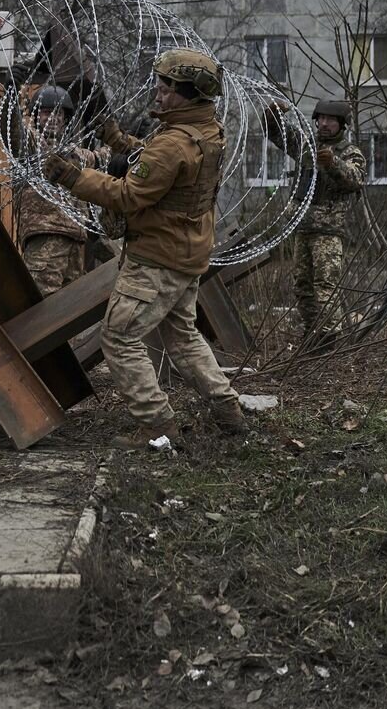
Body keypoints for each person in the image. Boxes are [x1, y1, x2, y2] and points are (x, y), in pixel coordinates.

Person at [42, 48, 247, 448]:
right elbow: (153, 162)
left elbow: (128, 194)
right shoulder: (205, 131)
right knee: (183, 337)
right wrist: (115, 137)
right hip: (185, 253)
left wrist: (73, 177)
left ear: (190, 93)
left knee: (119, 336)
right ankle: (228, 410)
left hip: (157, 258)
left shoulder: (173, 144)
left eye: (168, 88)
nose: (159, 92)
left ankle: (156, 425)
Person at [264, 99, 365, 345]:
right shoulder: (308, 146)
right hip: (303, 227)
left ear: (342, 124)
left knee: (326, 286)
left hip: (328, 231)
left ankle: (329, 337)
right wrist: (271, 115)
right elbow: (279, 134)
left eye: (331, 120)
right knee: (303, 285)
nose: (325, 124)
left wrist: (332, 163)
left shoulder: (349, 152)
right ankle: (312, 333)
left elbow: (355, 179)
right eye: (321, 119)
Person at [4, 84, 108, 295]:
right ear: (35, 116)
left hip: (76, 241)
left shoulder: (75, 153)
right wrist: (10, 98)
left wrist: (127, 140)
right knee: (43, 302)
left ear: (65, 118)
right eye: (45, 112)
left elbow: (104, 158)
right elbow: (13, 131)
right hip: (47, 235)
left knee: (72, 308)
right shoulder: (32, 146)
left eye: (58, 112)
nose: (53, 118)